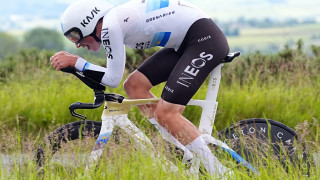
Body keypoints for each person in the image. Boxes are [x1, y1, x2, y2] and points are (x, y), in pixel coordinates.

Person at [50, 0, 230, 177]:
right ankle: (181, 150)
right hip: (185, 44)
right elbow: (114, 78)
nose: (76, 44)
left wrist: (76, 62)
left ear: (87, 22)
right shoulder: (114, 22)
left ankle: (220, 173)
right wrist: (78, 66)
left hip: (204, 41)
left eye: (75, 36)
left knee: (166, 113)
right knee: (134, 85)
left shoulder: (110, 27)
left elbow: (112, 78)